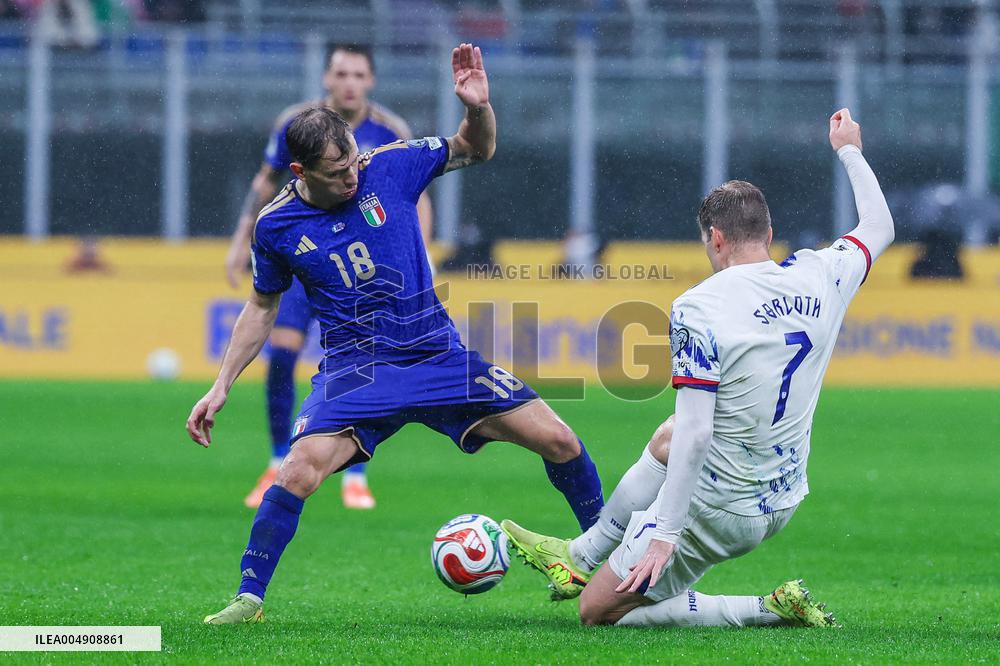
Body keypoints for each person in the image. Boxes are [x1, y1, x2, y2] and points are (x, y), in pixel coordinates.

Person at [188, 43, 605, 625]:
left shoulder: (390, 161)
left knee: (559, 439)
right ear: (300, 172)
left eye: (355, 161)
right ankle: (249, 598)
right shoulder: (276, 225)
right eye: (338, 173)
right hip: (357, 371)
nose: (354, 176)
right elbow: (261, 307)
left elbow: (475, 148)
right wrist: (220, 385)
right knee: (298, 471)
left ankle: (612, 565)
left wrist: (479, 108)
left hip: (437, 354)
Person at [503, 108, 894, 628]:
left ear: (715, 238)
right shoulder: (821, 273)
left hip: (720, 509)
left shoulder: (699, 306)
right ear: (769, 231)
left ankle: (768, 608)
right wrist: (849, 148)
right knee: (665, 438)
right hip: (784, 496)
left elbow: (698, 429)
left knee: (597, 613)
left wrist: (665, 532)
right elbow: (880, 225)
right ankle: (579, 556)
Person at [226, 43, 434, 510]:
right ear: (326, 78)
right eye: (341, 73)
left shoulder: (389, 130)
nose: (349, 83)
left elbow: (415, 196)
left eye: (358, 74)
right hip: (304, 260)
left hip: (366, 268)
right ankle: (278, 460)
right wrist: (242, 238)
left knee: (363, 362)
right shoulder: (296, 126)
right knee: (280, 353)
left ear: (371, 81)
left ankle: (354, 473)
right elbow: (266, 182)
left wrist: (420, 256)